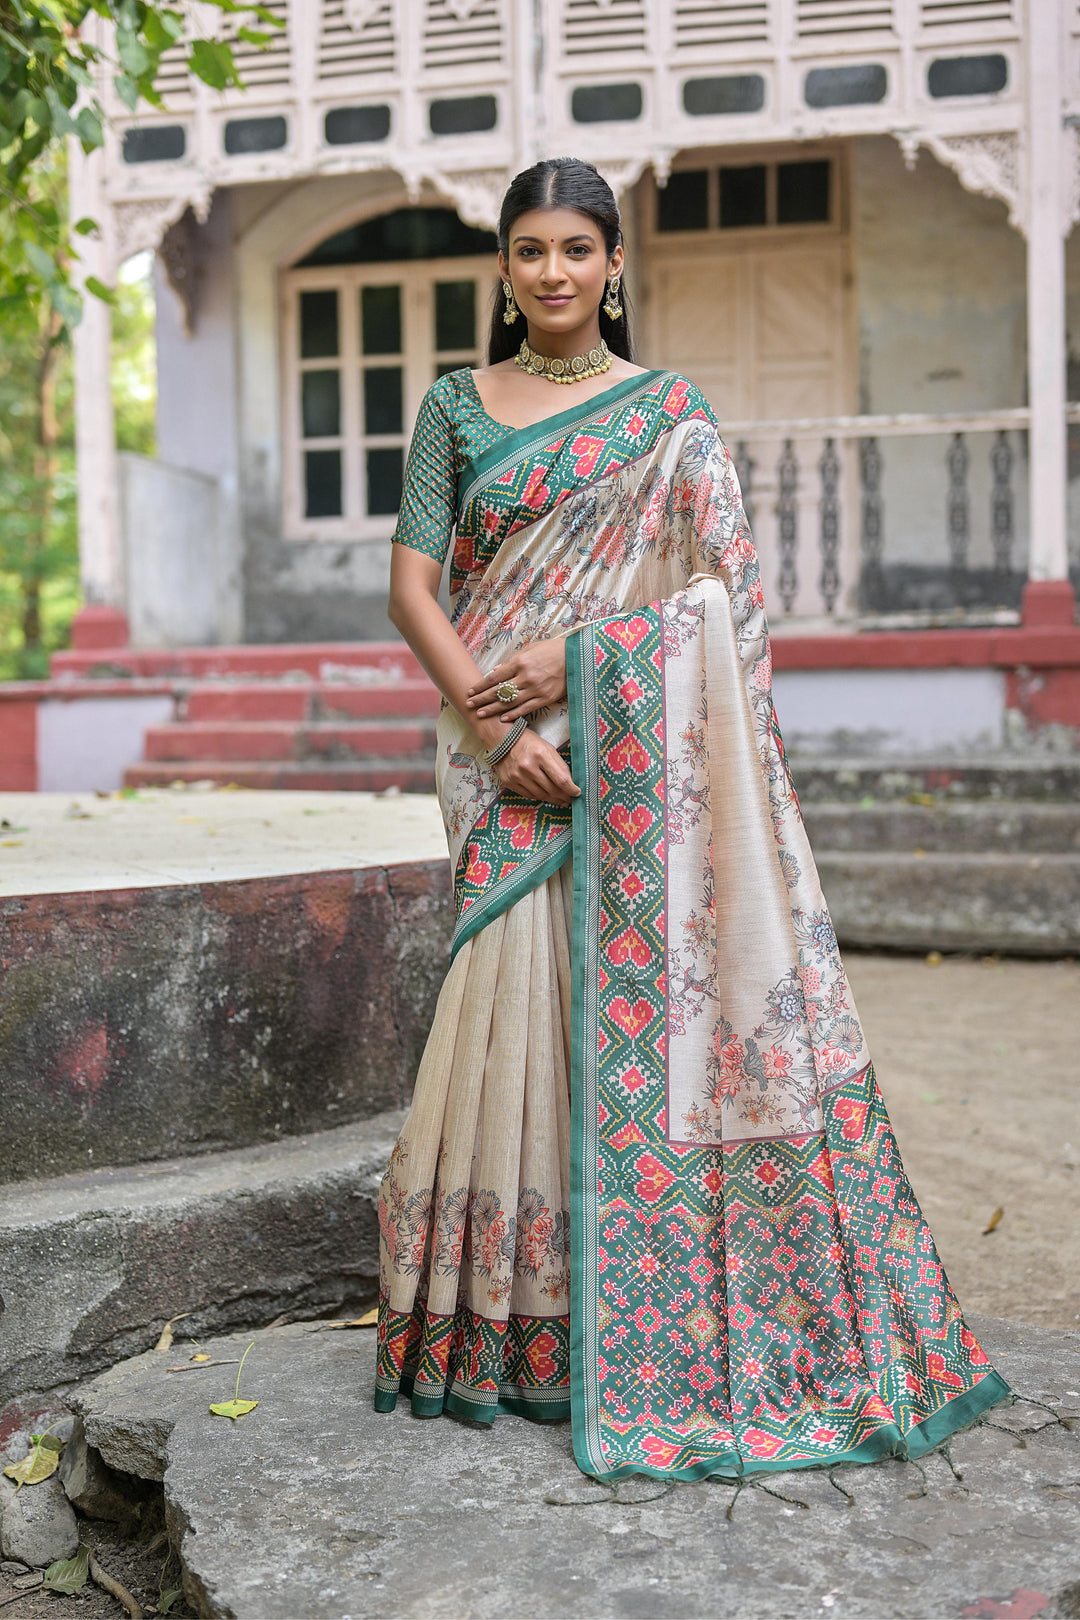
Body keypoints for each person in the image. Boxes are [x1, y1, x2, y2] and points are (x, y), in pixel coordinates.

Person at [374, 156, 1008, 1483]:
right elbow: (414, 592)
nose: (553, 272)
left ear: (617, 266)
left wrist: (585, 669)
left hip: (631, 764)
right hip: (502, 766)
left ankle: (626, 1330)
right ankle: (496, 1336)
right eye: (530, 251)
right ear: (504, 269)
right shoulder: (453, 406)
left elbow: (729, 600)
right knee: (501, 1017)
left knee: (628, 1027)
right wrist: (499, 730)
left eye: (577, 250)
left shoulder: (671, 416)